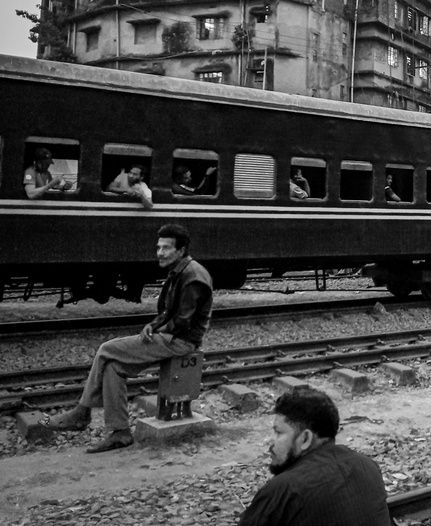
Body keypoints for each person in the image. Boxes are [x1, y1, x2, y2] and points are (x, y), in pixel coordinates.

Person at [48, 224, 213, 452]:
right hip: (172, 336)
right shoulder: (181, 270)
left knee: (107, 349)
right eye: (158, 247)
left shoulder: (193, 276)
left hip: (181, 341)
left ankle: (82, 412)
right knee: (113, 368)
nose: (160, 253)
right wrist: (152, 325)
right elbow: (169, 312)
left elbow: (183, 321)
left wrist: (158, 331)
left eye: (166, 248)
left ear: (181, 250)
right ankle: (120, 433)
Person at [239, 387, 390, 526]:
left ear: (305, 439)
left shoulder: (283, 490)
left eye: (279, 432)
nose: (271, 443)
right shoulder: (368, 466)